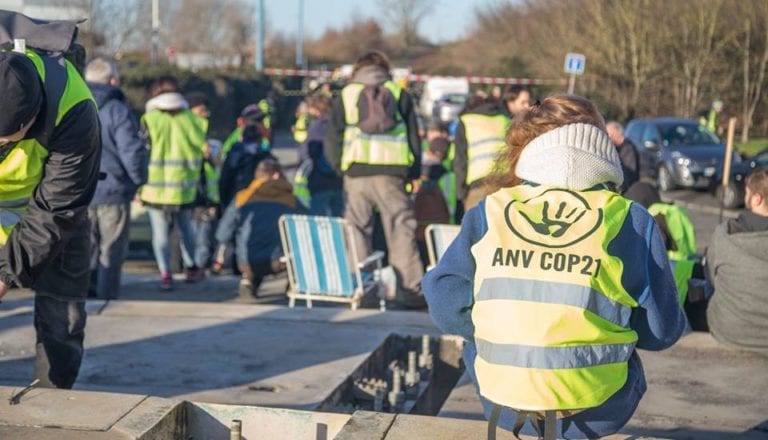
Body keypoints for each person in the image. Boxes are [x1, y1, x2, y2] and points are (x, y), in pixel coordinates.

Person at [424, 95, 686, 438]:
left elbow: (445, 302)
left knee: (480, 345)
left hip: (502, 404)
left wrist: (509, 329)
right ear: (600, 144)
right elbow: (662, 331)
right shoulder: (629, 219)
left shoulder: (491, 210)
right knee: (627, 355)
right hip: (596, 410)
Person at [0, 12, 101, 390]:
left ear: (32, 118)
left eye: (7, 139)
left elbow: (58, 208)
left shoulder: (74, 109)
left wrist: (5, 273)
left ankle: (54, 400)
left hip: (56, 216)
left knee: (62, 319)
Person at [325, 50, 424, 308]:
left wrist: (340, 167)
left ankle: (361, 288)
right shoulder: (399, 93)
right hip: (392, 172)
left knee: (357, 228)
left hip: (356, 173)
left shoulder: (347, 94)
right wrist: (413, 172)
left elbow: (332, 136)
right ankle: (410, 291)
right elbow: (414, 135)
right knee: (401, 227)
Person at [86, 57, 148, 299]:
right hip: (113, 189)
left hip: (82, 189)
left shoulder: (73, 104)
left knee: (85, 249)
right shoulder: (117, 110)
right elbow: (131, 151)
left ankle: (84, 297)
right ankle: (106, 297)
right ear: (112, 80)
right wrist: (139, 180)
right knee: (111, 250)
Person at [140, 76, 207, 290]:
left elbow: (141, 152)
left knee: (160, 235)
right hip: (184, 186)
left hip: (154, 188)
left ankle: (165, 273)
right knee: (187, 228)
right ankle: (191, 267)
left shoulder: (149, 120)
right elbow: (202, 148)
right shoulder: (192, 119)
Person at [215, 159, 301, 300]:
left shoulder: (242, 197)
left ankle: (247, 280)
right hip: (279, 260)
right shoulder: (291, 199)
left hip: (245, 260)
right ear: (276, 175)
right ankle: (292, 282)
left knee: (252, 249)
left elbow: (224, 230)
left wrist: (220, 257)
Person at [706, 167, 768, 355]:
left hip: (729, 332)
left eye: (747, 192)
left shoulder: (726, 234)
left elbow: (711, 278)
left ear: (757, 199)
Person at [453, 96, 511, 211]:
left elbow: (460, 161)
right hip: (504, 185)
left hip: (478, 187)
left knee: (476, 227)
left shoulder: (466, 122)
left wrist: (461, 194)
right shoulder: (505, 119)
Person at [299, 94, 344, 216]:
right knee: (340, 220)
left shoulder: (317, 127)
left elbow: (306, 152)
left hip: (320, 181)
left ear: (316, 109)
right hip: (339, 180)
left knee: (318, 222)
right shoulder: (340, 125)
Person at [606, 121, 640, 193]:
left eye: (609, 134)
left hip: (629, 191)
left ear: (616, 133)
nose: (608, 138)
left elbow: (629, 174)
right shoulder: (617, 148)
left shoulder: (628, 149)